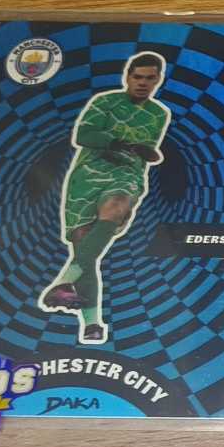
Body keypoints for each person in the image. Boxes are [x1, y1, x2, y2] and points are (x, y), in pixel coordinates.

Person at [39, 50, 170, 346]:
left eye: (150, 78)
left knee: (116, 206)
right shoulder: (105, 102)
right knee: (85, 251)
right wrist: (120, 144)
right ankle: (92, 324)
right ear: (128, 77)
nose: (143, 83)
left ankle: (64, 281)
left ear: (158, 80)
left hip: (126, 175)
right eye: (138, 77)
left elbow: (143, 151)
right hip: (86, 178)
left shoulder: (158, 114)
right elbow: (83, 135)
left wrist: (142, 153)